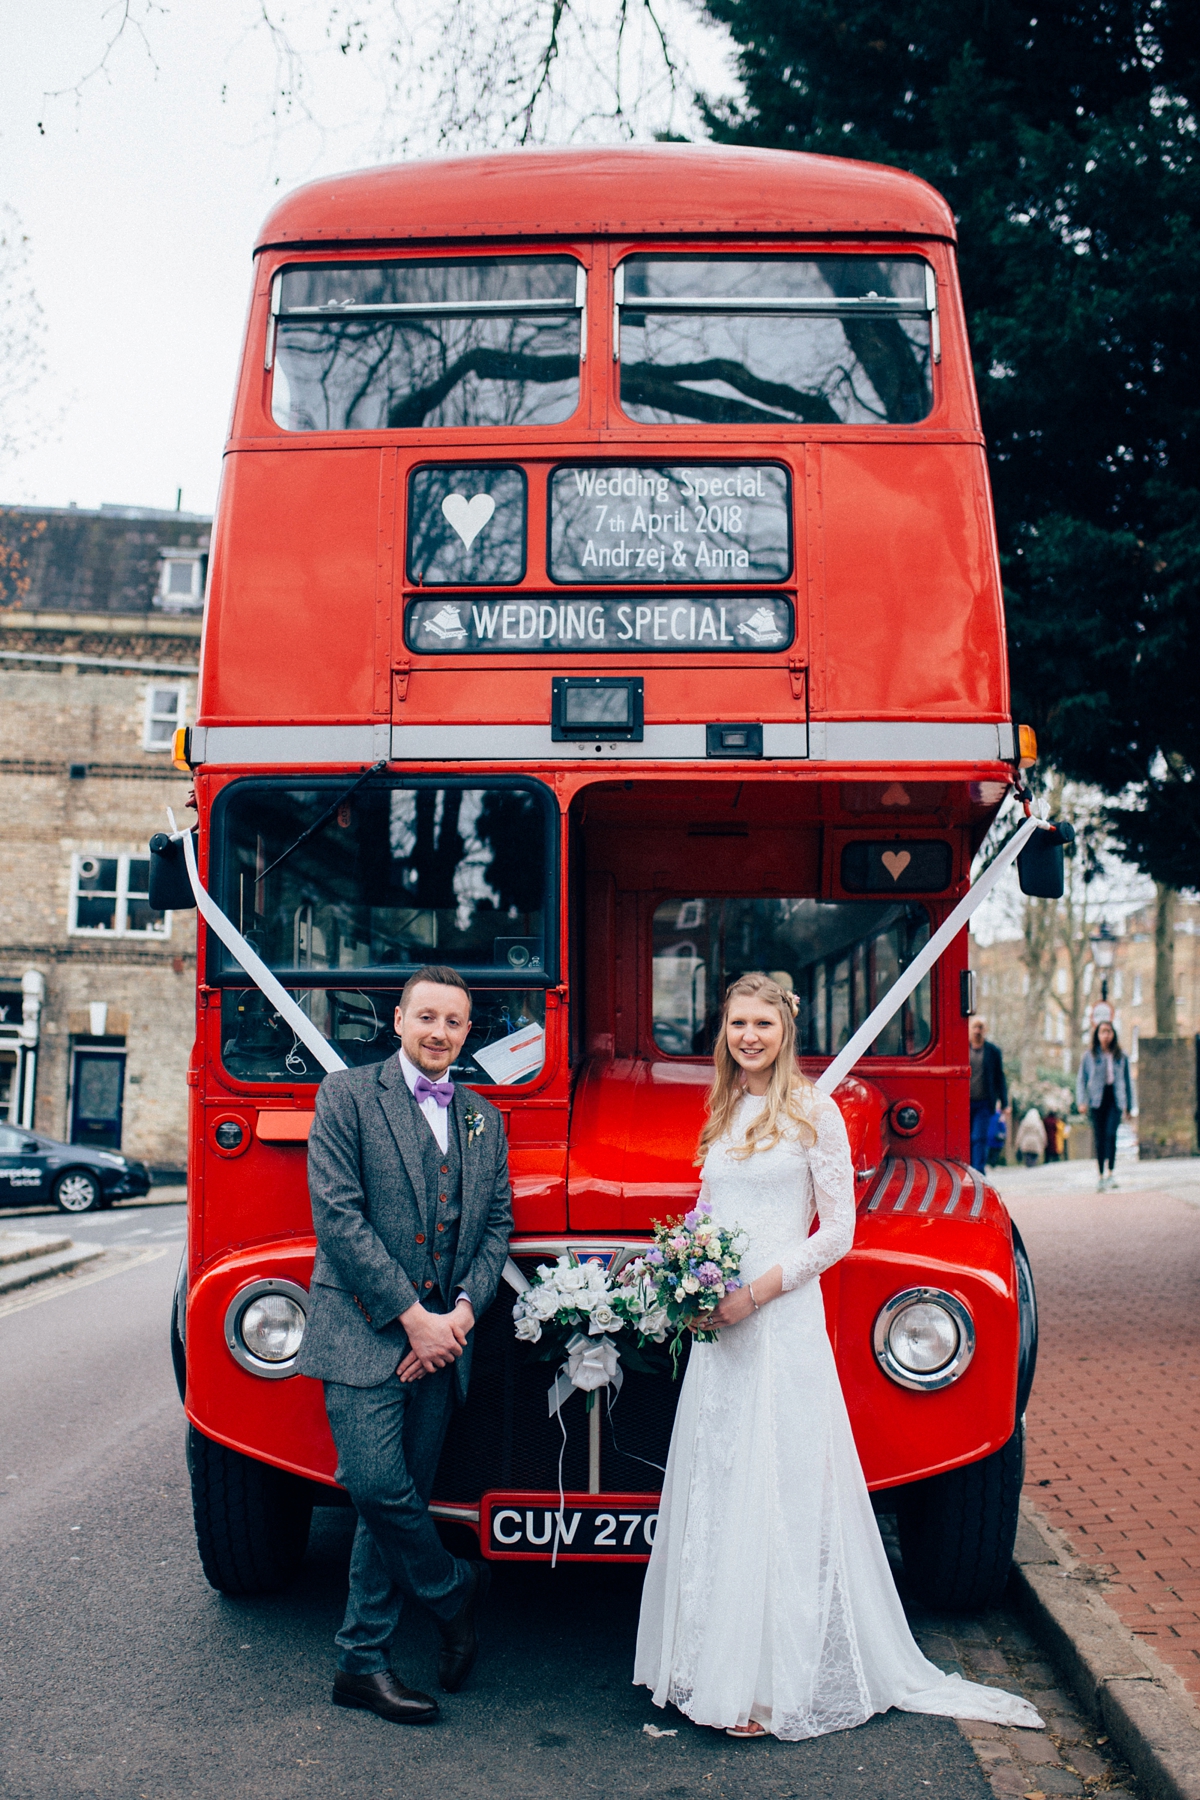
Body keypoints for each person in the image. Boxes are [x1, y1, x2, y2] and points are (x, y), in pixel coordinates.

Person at [633, 971, 1043, 1741]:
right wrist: (683, 1272)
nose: (748, 1037)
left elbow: (836, 1234)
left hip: (778, 1318)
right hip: (721, 1328)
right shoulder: (723, 1110)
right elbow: (708, 1212)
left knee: (776, 1487)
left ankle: (770, 1684)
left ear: (786, 1030)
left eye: (762, 1023)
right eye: (736, 1025)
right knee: (723, 1480)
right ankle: (710, 1667)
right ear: (722, 1032)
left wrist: (753, 1293)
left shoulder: (812, 1110)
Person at [299, 965, 513, 1726]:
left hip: (443, 1343)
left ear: (466, 1033)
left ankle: (362, 1661)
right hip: (362, 1332)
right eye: (426, 1017)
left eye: (453, 1023)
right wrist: (410, 1317)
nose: (438, 1033)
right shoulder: (347, 1097)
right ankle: (455, 1592)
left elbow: (494, 1231)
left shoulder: (487, 1117)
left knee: (397, 1506)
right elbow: (339, 1219)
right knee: (375, 1486)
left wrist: (457, 1314)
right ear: (397, 1020)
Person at [1076, 1016, 1134, 1192]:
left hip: (1115, 1099)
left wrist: (1130, 1106)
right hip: (1097, 1100)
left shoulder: (1121, 1056)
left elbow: (1128, 1081)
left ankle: (1111, 1172)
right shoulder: (1089, 1055)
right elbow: (1081, 1079)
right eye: (1102, 1032)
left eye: (1109, 1032)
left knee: (1111, 1134)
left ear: (1113, 1034)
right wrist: (1081, 1101)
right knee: (1100, 1137)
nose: (1106, 1035)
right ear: (1097, 1035)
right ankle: (1100, 1174)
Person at [968, 1015, 1007, 1173]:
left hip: (984, 1102)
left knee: (979, 1137)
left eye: (981, 1028)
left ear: (985, 1030)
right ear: (970, 1029)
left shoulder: (992, 1051)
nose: (978, 1031)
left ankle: (978, 1172)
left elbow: (1000, 1077)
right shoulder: (961, 1048)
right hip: (963, 1103)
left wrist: (1005, 1103)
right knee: (965, 1139)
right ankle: (967, 1170)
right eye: (975, 1027)